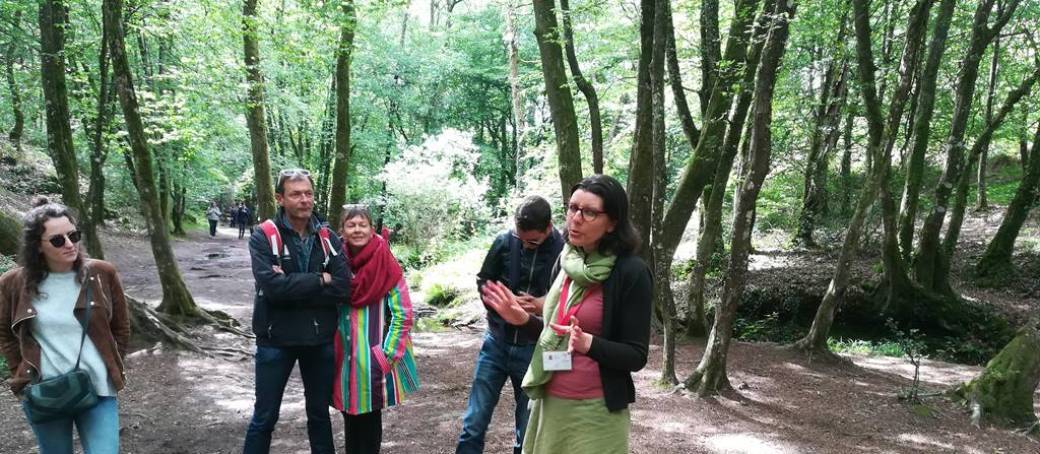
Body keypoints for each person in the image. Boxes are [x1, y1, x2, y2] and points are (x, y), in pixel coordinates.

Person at [482, 175, 652, 454]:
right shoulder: (566, 263)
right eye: (573, 208)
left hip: (596, 413)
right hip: (550, 403)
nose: (575, 218)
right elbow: (554, 334)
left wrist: (589, 344)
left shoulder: (631, 272)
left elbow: (636, 355)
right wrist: (521, 319)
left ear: (612, 222)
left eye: (589, 212)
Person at [0, 196, 130, 454]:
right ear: (37, 246)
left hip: (98, 388)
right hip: (45, 392)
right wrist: (20, 372)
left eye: (74, 235)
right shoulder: (13, 283)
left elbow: (121, 328)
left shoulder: (102, 273)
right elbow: (5, 333)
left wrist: (111, 363)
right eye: (58, 240)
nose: (70, 244)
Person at [242, 169, 351, 454]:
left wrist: (293, 283)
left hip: (319, 339)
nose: (304, 200)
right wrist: (319, 279)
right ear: (280, 198)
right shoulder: (264, 236)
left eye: (308, 194)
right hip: (275, 339)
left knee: (319, 415)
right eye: (296, 194)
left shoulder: (327, 237)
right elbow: (273, 287)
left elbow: (342, 286)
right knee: (265, 417)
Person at [456, 195, 564, 454]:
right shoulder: (504, 242)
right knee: (474, 422)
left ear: (548, 227)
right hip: (496, 343)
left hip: (535, 348)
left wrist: (541, 304)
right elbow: (484, 280)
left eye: (533, 241)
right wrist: (500, 303)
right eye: (521, 238)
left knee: (527, 430)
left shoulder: (564, 250)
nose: (526, 246)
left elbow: (568, 299)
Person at [332, 204, 419, 454]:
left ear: (372, 228)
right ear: (343, 229)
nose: (357, 230)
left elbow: (403, 313)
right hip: (344, 356)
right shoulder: (336, 260)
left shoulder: (385, 261)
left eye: (363, 224)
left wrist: (387, 355)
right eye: (351, 225)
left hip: (373, 357)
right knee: (349, 416)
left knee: (369, 420)